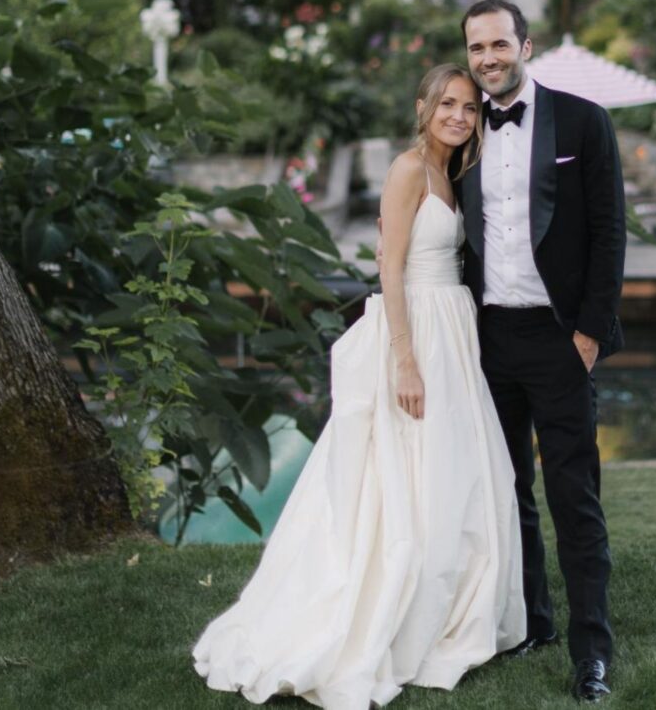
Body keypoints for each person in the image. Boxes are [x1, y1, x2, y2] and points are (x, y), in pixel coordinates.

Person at [191, 64, 526, 709]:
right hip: (418, 332)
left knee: (455, 476)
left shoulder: (452, 173)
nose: (459, 114)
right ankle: (381, 617)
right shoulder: (407, 171)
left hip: (454, 331)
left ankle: (452, 611)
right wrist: (404, 359)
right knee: (402, 478)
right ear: (423, 107)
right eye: (447, 104)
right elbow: (390, 267)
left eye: (467, 106)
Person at [458, 0, 626, 703]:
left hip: (560, 340)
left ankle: (592, 653)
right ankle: (534, 622)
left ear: (526, 45)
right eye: (476, 48)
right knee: (507, 493)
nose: (488, 58)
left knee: (573, 496)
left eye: (499, 43)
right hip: (488, 338)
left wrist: (588, 333)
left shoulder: (583, 121)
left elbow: (609, 231)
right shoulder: (462, 130)